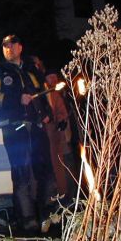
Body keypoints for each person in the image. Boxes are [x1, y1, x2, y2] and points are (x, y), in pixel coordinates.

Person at [0, 35, 57, 232]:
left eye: (12, 45)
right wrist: (16, 99)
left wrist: (47, 114)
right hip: (14, 128)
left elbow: (44, 92)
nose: (8, 48)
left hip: (36, 126)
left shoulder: (32, 69)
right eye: (5, 46)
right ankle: (27, 220)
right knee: (21, 174)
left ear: (20, 47)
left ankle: (47, 216)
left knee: (46, 172)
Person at [44, 69, 80, 203]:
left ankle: (73, 196)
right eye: (50, 77)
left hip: (66, 138)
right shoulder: (47, 94)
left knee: (69, 166)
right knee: (60, 168)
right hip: (56, 139)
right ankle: (64, 197)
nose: (53, 80)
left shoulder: (62, 93)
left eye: (54, 77)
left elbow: (65, 113)